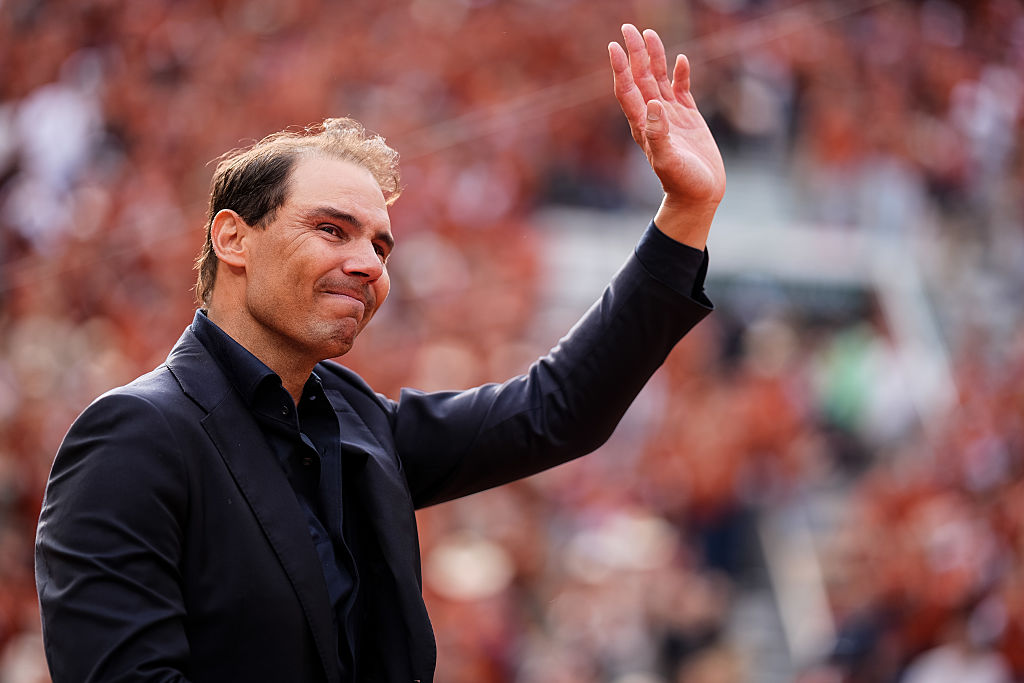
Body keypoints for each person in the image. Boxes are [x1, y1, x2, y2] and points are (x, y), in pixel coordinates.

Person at [34, 24, 725, 683]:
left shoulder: (358, 419)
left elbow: (554, 409)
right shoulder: (132, 438)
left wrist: (684, 216)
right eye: (332, 229)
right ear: (233, 238)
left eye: (380, 245)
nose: (367, 263)